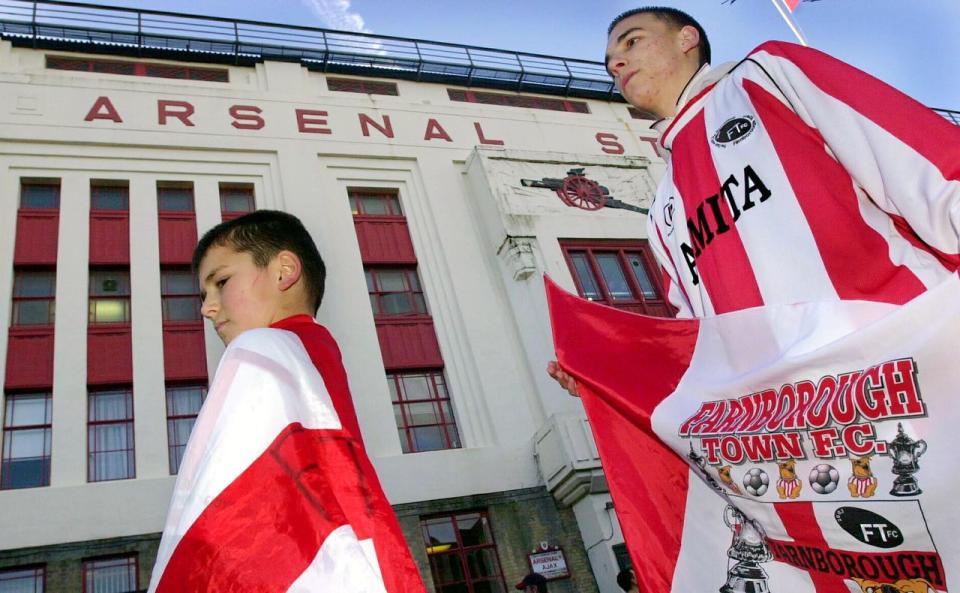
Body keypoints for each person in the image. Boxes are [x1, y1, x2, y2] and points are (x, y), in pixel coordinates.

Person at [548, 5, 960, 393]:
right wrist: (608, 381)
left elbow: (933, 171)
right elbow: (697, 346)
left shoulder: (768, 76)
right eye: (609, 61)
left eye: (631, 41)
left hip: (917, 356)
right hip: (802, 416)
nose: (615, 63)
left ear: (686, 38)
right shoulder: (660, 213)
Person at [148, 210, 425, 592]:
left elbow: (222, 535)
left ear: (284, 271)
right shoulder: (316, 349)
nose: (207, 307)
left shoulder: (258, 350)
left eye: (222, 282)